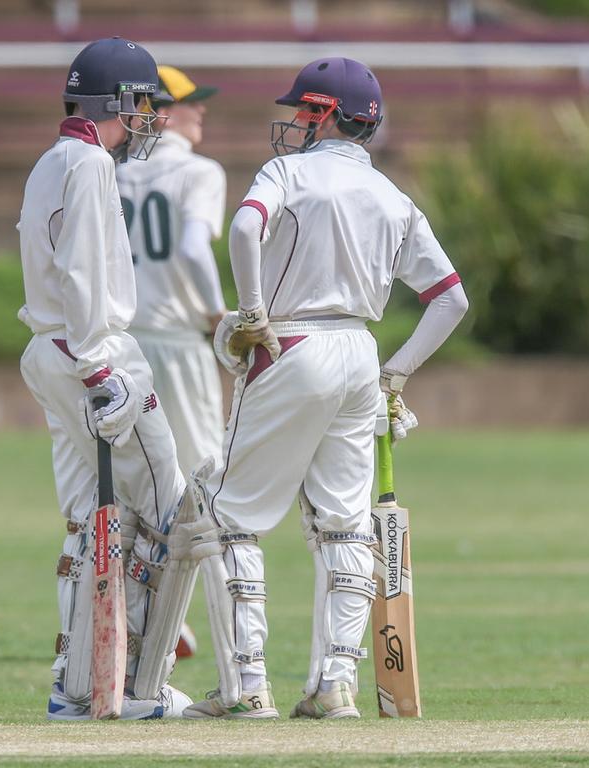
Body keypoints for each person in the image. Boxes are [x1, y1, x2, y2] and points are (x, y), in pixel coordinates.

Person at [182, 57, 468, 719]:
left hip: (292, 344)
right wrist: (396, 374)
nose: (292, 123)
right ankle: (333, 684)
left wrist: (252, 313)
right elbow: (450, 299)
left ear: (324, 111)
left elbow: (247, 227)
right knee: (343, 527)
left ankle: (246, 686)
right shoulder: (395, 197)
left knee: (229, 519)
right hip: (360, 356)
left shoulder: (287, 172)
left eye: (301, 111)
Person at [17, 37, 193, 720]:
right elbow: (84, 267)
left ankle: (78, 685)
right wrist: (100, 368)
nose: (148, 118)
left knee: (87, 521)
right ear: (117, 103)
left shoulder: (48, 160)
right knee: (173, 512)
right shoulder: (91, 162)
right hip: (96, 354)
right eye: (143, 103)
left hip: (47, 350)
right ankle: (138, 684)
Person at [116, 65, 228, 479]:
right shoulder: (201, 171)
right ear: (162, 111)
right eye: (190, 102)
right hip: (180, 343)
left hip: (126, 346)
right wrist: (218, 315)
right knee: (205, 473)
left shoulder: (116, 173)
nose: (201, 110)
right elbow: (194, 249)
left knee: (140, 480)